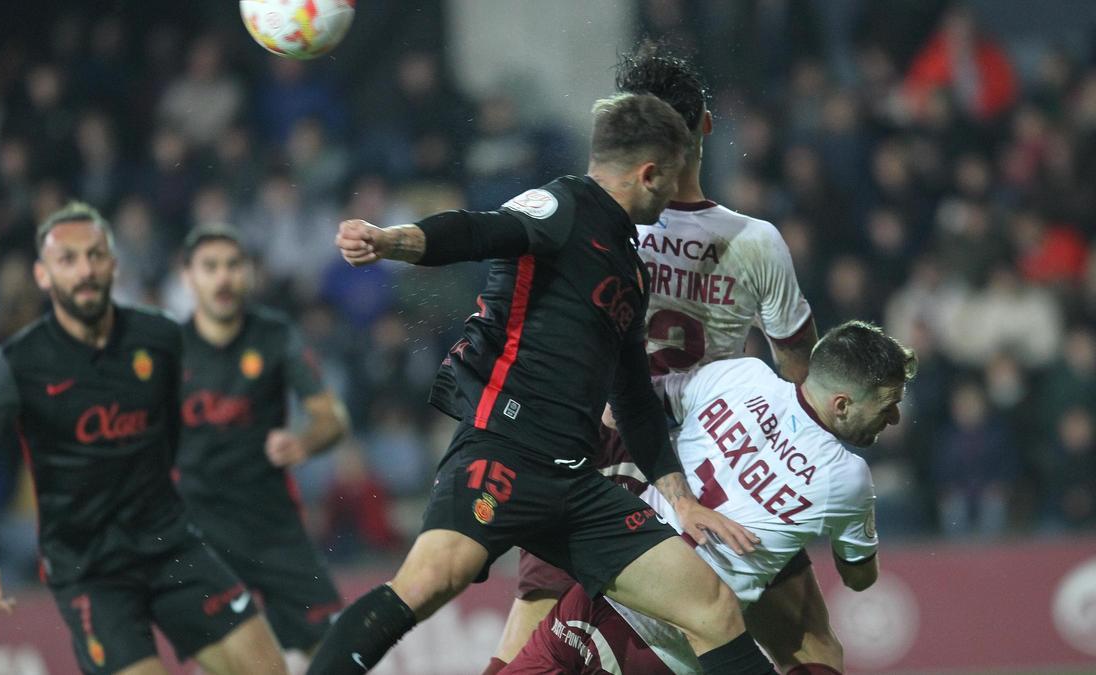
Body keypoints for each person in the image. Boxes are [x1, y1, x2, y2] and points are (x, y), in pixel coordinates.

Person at [307, 93, 774, 675]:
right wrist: (392, 242)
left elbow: (632, 397)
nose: (676, 191)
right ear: (650, 173)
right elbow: (481, 231)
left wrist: (682, 501)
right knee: (428, 582)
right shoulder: (560, 205)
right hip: (504, 452)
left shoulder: (630, 265)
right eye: (672, 176)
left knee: (712, 607)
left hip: (575, 484)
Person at [492, 43, 835, 675]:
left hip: (596, 445)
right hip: (720, 456)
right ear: (705, 124)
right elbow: (801, 373)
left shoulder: (588, 224)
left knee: (540, 622)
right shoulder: (756, 243)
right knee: (808, 647)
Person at [0, 202, 287, 675]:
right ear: (43, 276)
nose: (85, 270)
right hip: (90, 570)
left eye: (95, 255)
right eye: (68, 260)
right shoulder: (16, 365)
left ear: (113, 263)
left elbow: (177, 430)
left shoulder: (160, 338)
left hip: (171, 547)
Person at [505, 321, 914, 674]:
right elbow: (859, 578)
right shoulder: (848, 478)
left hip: (606, 584)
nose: (893, 417)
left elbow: (635, 406)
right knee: (819, 643)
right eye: (888, 404)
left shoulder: (743, 376)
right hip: (661, 647)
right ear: (841, 404)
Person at [178, 223, 350, 670]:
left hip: (270, 520)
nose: (223, 278)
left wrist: (305, 441)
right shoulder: (168, 350)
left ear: (248, 274)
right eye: (210, 267)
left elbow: (333, 418)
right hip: (197, 525)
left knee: (332, 651)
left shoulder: (274, 336)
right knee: (228, 661)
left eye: (233, 266)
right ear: (188, 278)